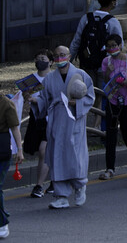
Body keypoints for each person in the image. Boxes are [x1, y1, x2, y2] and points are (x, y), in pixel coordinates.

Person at [30, 45, 94, 209]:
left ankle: (80, 186)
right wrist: (36, 101)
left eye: (62, 55)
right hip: (57, 121)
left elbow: (90, 97)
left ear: (69, 55)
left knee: (75, 156)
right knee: (57, 157)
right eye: (56, 55)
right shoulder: (50, 79)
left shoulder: (81, 75)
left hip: (74, 121)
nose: (59, 58)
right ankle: (61, 195)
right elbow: (45, 99)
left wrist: (77, 103)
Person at [98, 35, 127, 180]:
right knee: (110, 136)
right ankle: (110, 169)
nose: (111, 48)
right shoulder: (106, 61)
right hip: (112, 103)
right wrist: (108, 71)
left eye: (114, 45)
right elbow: (106, 80)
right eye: (109, 46)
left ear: (120, 45)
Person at [69, 0, 123, 80]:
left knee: (89, 90)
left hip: (86, 63)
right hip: (105, 66)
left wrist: (68, 61)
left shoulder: (86, 18)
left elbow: (76, 41)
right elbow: (119, 45)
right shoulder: (113, 21)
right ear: (112, 2)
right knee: (103, 92)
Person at [22, 50, 51, 198]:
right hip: (35, 118)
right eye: (38, 58)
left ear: (50, 61)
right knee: (39, 150)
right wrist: (26, 95)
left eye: (43, 58)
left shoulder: (54, 79)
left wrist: (38, 101)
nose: (40, 60)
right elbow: (25, 95)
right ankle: (55, 180)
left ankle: (39, 185)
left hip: (51, 118)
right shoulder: (31, 80)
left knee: (43, 150)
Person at [0, 91, 23, 238]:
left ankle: (2, 222)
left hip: (1, 150)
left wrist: (19, 150)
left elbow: (15, 128)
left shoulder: (6, 104)